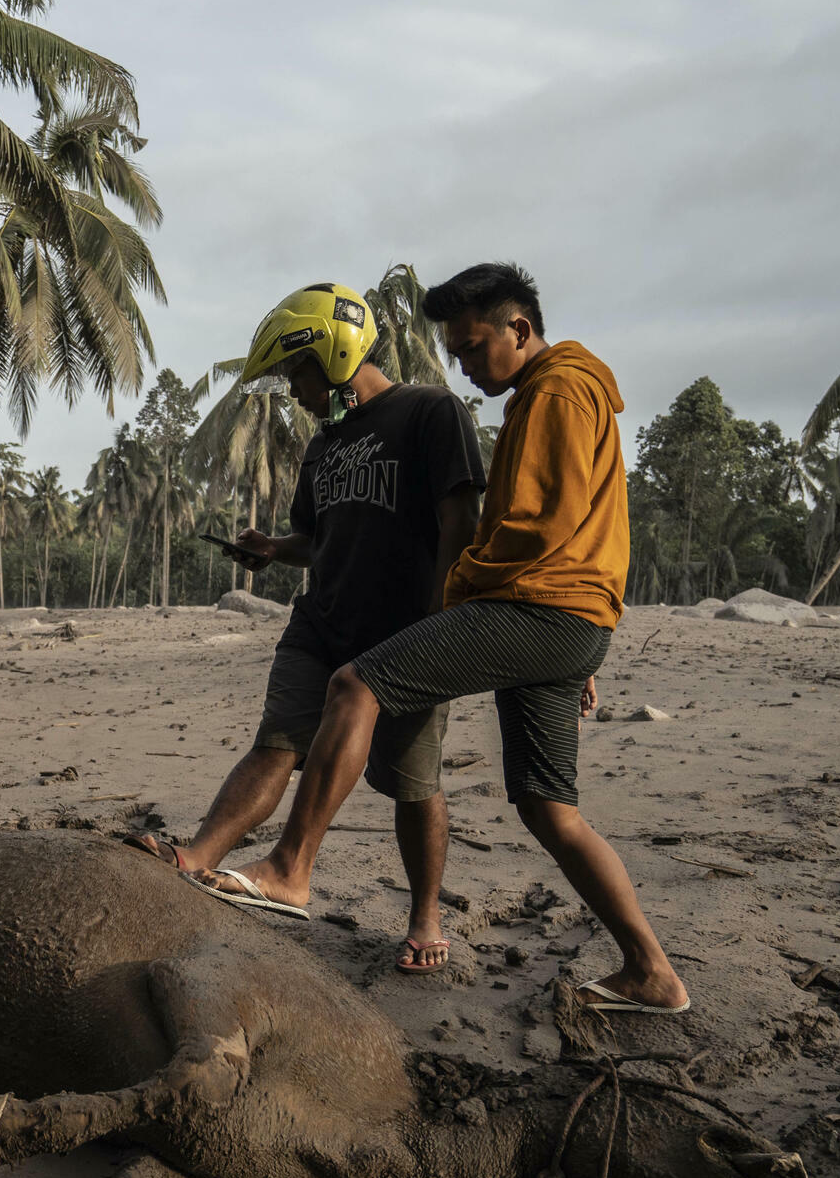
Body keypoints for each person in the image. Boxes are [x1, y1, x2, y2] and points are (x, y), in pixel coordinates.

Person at [193, 262, 687, 1013]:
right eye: (455, 352)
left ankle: (292, 870)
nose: (465, 364)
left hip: (535, 609)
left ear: (520, 330)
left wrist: (468, 604)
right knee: (549, 806)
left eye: (474, 346)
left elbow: (533, 529)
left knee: (355, 686)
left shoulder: (555, 390)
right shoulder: (550, 392)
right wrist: (576, 639)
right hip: (565, 619)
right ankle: (652, 971)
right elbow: (576, 532)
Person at [134, 282, 484, 973]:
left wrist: (445, 620)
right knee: (276, 744)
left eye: (295, 371)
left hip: (405, 635)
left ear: (332, 350)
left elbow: (461, 520)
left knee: (412, 785)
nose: (291, 389)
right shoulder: (325, 445)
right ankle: (199, 857)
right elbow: (315, 537)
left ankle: (425, 916)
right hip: (320, 623)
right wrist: (271, 549)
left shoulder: (429, 412)